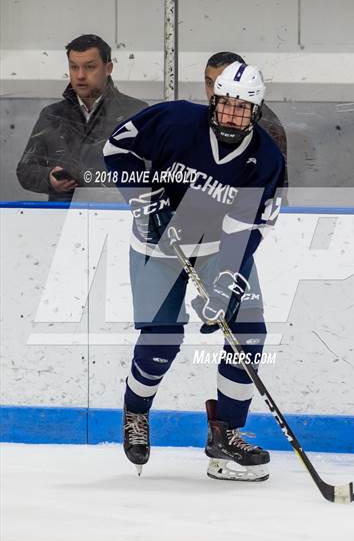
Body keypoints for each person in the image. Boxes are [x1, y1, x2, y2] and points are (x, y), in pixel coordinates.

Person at [104, 62, 285, 482]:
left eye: (242, 110)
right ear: (213, 100)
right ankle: (136, 410)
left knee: (249, 333)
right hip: (155, 244)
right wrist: (142, 197)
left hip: (218, 248)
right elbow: (116, 150)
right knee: (162, 338)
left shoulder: (266, 159)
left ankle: (226, 435)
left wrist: (225, 280)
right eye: (225, 106)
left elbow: (251, 227)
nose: (231, 116)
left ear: (256, 113)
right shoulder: (175, 120)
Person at [16, 34, 147, 202]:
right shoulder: (52, 115)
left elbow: (154, 170)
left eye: (90, 67)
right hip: (63, 219)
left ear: (108, 68)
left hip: (116, 216)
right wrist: (49, 177)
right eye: (73, 67)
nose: (80, 75)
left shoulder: (136, 112)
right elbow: (25, 170)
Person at [205, 51, 288, 179]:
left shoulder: (267, 127)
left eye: (221, 82)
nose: (215, 91)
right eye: (210, 83)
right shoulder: (205, 117)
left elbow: (277, 184)